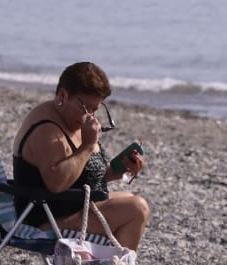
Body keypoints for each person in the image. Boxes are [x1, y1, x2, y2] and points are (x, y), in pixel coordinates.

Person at [12, 61, 150, 251]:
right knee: (136, 208)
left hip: (65, 208)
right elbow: (56, 183)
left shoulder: (68, 120)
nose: (90, 116)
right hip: (44, 219)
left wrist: (119, 171)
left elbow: (79, 177)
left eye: (96, 109)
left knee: (128, 197)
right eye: (86, 108)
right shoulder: (47, 131)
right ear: (62, 95)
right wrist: (87, 145)